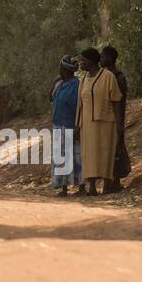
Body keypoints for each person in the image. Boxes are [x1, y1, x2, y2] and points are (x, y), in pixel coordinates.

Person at [75, 47, 121, 197]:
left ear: (91, 61)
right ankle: (92, 187)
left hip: (106, 122)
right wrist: (77, 124)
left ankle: (106, 185)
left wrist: (120, 124)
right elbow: (80, 105)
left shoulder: (108, 77)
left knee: (105, 152)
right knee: (89, 154)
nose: (81, 63)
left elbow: (116, 101)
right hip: (87, 124)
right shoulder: (83, 80)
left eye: (83, 60)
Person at [100, 45, 132, 192]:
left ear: (110, 58)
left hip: (116, 118)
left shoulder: (118, 77)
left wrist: (119, 123)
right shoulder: (105, 76)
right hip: (106, 119)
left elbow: (119, 102)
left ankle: (115, 182)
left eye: (103, 56)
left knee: (117, 150)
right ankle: (108, 183)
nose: (101, 59)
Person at [49, 56, 82, 196]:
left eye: (61, 67)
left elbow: (79, 106)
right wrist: (55, 82)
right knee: (61, 157)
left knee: (75, 156)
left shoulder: (76, 85)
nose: (59, 70)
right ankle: (63, 188)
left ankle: (81, 187)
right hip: (58, 125)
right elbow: (50, 97)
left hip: (71, 125)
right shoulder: (60, 83)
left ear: (66, 69)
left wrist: (77, 126)